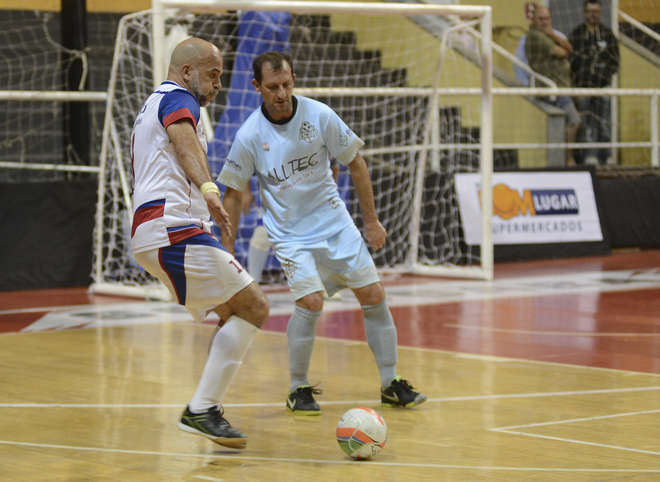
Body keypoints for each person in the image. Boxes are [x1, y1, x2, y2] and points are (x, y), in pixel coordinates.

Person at [217, 51, 427, 415]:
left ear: (294, 80)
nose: (281, 93)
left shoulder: (319, 115)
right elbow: (233, 196)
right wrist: (227, 256)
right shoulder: (250, 134)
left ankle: (390, 382)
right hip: (289, 234)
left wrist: (372, 221)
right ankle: (298, 386)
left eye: (287, 84)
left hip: (334, 222)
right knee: (311, 301)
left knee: (374, 293)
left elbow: (357, 164)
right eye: (272, 87)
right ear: (256, 87)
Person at [130, 37, 269, 448]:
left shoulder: (156, 101)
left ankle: (204, 407)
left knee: (235, 312)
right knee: (255, 306)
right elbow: (185, 144)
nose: (219, 83)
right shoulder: (177, 99)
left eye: (221, 75)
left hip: (162, 229)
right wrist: (209, 187)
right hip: (173, 228)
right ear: (187, 72)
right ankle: (202, 409)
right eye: (213, 74)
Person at [525, 6, 581, 165]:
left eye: (547, 19)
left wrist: (551, 34)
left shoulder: (548, 35)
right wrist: (552, 35)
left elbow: (569, 48)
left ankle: (566, 157)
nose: (544, 22)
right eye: (541, 19)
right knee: (575, 120)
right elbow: (563, 52)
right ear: (534, 20)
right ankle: (568, 159)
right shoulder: (535, 36)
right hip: (551, 90)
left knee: (572, 122)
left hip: (562, 87)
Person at [569, 0, 619, 165]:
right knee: (586, 123)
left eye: (596, 11)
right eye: (590, 11)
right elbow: (570, 60)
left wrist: (602, 75)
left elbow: (615, 62)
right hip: (583, 88)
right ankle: (588, 157)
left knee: (604, 122)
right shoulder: (576, 34)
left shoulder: (607, 34)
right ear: (584, 13)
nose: (593, 14)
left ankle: (605, 156)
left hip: (603, 87)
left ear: (600, 13)